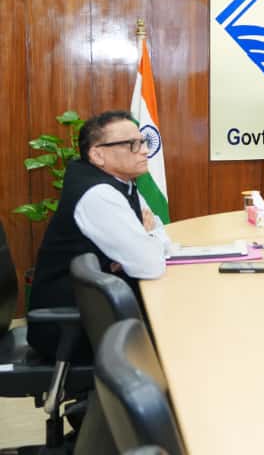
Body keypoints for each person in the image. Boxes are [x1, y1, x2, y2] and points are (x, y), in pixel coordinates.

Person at [28, 111, 170, 361]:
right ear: (97, 155)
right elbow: (150, 265)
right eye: (132, 144)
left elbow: (161, 235)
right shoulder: (99, 193)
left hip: (101, 311)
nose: (145, 151)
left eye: (143, 142)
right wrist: (145, 240)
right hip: (73, 328)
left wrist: (146, 240)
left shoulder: (123, 182)